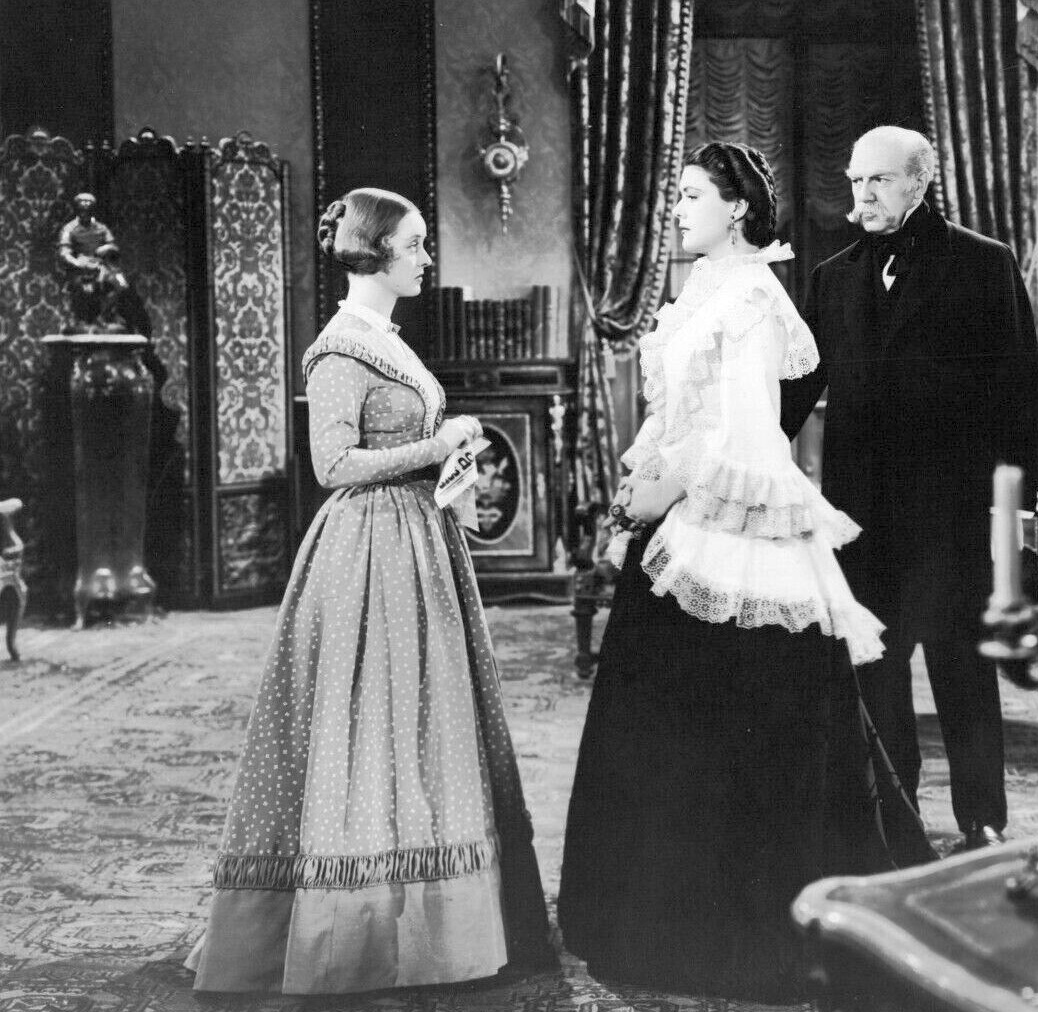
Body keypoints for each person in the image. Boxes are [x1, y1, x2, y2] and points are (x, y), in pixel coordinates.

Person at [558, 142, 922, 1004]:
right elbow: (678, 412)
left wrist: (669, 488)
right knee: (658, 727)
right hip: (681, 515)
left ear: (737, 210)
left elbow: (750, 431)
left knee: (723, 729)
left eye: (692, 195)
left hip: (729, 526)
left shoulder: (754, 296)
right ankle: (652, 915)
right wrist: (643, 476)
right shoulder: (700, 290)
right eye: (678, 194)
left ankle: (731, 931)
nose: (677, 208)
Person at [186, 188, 551, 993]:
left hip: (418, 539)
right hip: (369, 546)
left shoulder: (386, 337)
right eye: (414, 244)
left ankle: (436, 924)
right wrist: (435, 445)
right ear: (375, 250)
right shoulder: (340, 348)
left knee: (422, 716)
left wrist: (445, 455)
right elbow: (333, 465)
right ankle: (359, 929)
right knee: (373, 716)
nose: (426, 258)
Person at [780, 126, 1038, 854]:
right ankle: (897, 818)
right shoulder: (833, 277)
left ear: (918, 183)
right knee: (877, 670)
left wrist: (1015, 507)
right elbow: (795, 391)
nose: (861, 195)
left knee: (963, 670)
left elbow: (1020, 390)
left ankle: (981, 819)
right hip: (861, 515)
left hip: (952, 514)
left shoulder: (984, 263)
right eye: (855, 180)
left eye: (878, 180)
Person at [56, 191, 129, 326]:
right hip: (80, 268)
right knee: (85, 288)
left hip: (101, 265)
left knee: (121, 284)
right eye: (82, 208)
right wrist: (77, 263)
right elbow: (64, 253)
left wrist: (106, 248)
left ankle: (105, 315)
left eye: (88, 208)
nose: (85, 211)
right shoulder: (69, 229)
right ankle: (84, 319)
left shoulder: (101, 228)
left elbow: (114, 246)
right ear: (77, 209)